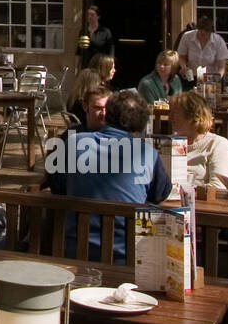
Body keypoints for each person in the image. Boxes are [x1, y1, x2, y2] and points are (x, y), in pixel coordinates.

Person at [45, 89, 171, 260]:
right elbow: (160, 194)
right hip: (127, 254)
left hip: (75, 249)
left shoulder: (75, 141)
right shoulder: (146, 152)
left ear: (108, 114)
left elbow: (56, 184)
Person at [169, 91, 228, 191]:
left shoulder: (216, 144)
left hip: (201, 204)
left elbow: (218, 187)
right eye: (170, 113)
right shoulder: (171, 143)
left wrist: (186, 190)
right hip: (168, 201)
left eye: (175, 113)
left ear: (193, 116)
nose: (170, 118)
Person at [177, 14, 228, 80]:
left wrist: (217, 78)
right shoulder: (187, 36)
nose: (203, 32)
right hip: (192, 77)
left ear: (211, 31)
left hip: (211, 78)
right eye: (201, 30)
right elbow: (181, 56)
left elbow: (222, 66)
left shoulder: (218, 41)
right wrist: (184, 67)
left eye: (206, 31)